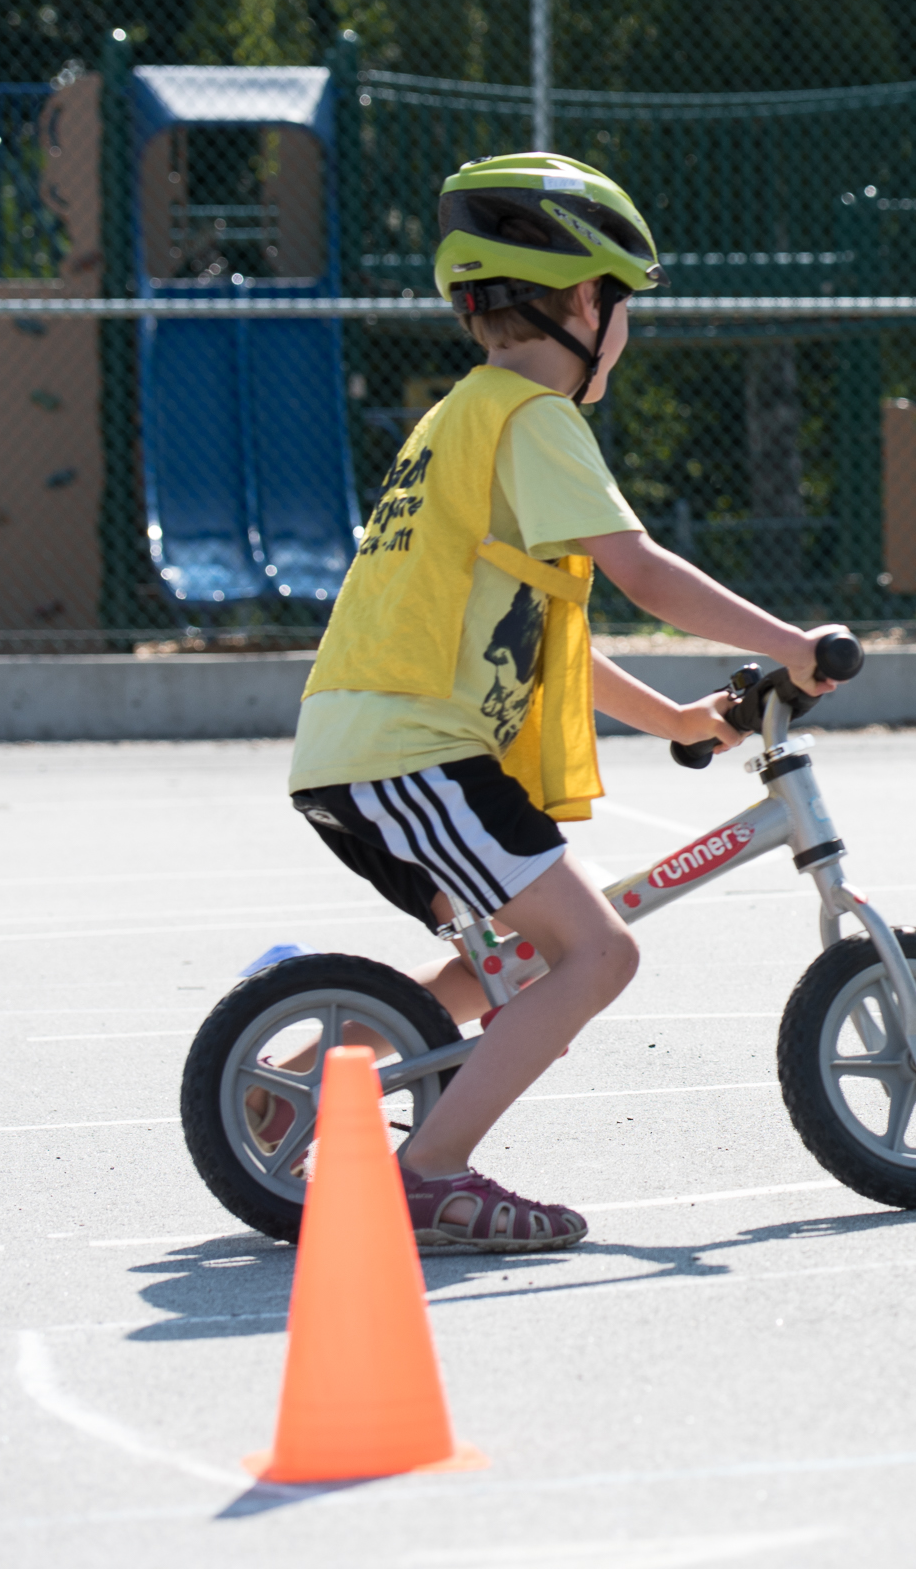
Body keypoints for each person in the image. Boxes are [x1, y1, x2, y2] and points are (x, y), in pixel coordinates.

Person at [284, 152, 850, 1252]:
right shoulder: (534, 419)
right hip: (413, 754)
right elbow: (641, 572)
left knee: (515, 961)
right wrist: (799, 644)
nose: (623, 333)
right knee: (601, 955)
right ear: (583, 299)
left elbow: (545, 641)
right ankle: (427, 1172)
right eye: (622, 307)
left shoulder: (458, 418)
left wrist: (684, 723)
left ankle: (283, 1095)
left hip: (364, 750)